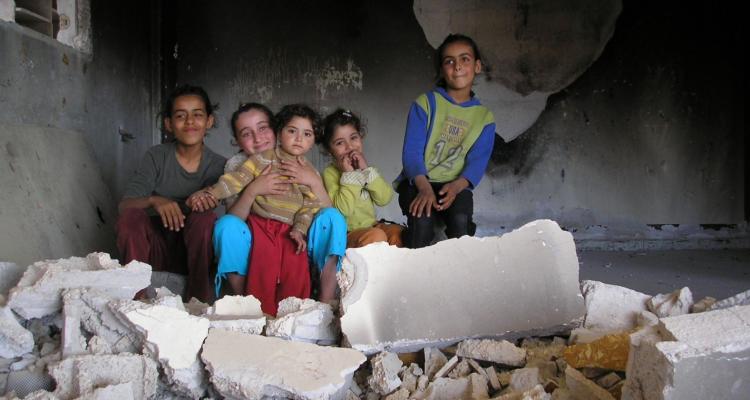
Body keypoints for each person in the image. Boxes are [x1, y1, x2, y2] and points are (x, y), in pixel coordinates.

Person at [191, 103, 345, 304]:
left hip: (294, 233)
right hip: (260, 228)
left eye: (263, 128)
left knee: (298, 265)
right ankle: (247, 303)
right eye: (246, 133)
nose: (257, 138)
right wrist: (243, 190)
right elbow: (234, 183)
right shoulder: (252, 162)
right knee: (233, 233)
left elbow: (311, 205)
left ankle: (319, 303)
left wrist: (300, 226)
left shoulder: (307, 169)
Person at [116, 84, 226, 302]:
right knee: (131, 217)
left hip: (193, 254)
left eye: (197, 115)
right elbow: (124, 206)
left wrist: (204, 198)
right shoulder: (156, 157)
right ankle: (136, 297)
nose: (190, 122)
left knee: (205, 220)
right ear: (168, 124)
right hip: (154, 249)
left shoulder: (219, 165)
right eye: (180, 116)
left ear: (209, 121)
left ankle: (198, 301)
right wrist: (155, 200)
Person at [396, 33, 496, 249]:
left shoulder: (484, 118)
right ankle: (409, 260)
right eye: (449, 61)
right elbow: (411, 153)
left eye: (464, 59)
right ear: (442, 70)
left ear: (477, 66)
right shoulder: (426, 104)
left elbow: (477, 163)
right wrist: (424, 188)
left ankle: (459, 268)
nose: (457, 66)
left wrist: (457, 186)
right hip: (418, 181)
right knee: (422, 225)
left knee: (460, 223)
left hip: (454, 184)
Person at [319, 109, 402, 248]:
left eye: (353, 138)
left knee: (397, 233)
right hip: (347, 233)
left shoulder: (366, 169)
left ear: (360, 137)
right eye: (340, 143)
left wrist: (366, 170)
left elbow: (385, 198)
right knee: (377, 236)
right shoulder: (330, 174)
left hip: (372, 226)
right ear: (329, 150)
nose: (349, 146)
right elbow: (343, 210)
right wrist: (348, 174)